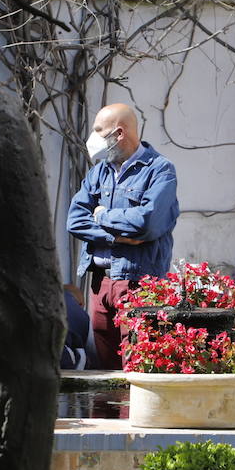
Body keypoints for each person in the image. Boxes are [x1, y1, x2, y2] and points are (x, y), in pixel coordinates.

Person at [66, 103, 179, 369]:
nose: (92, 139)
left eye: (98, 131)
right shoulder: (99, 172)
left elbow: (147, 223)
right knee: (104, 370)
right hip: (100, 283)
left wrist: (102, 215)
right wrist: (116, 237)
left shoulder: (160, 170)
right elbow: (74, 220)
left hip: (138, 282)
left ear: (118, 133)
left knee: (137, 367)